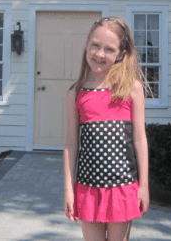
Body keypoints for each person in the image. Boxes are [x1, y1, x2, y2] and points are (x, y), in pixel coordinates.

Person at [64, 16, 150, 241]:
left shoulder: (131, 89)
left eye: (109, 49)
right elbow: (71, 145)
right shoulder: (75, 93)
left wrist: (144, 186)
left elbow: (140, 140)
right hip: (87, 188)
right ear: (87, 44)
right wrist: (69, 189)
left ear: (121, 54)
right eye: (95, 45)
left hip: (123, 187)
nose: (100, 54)